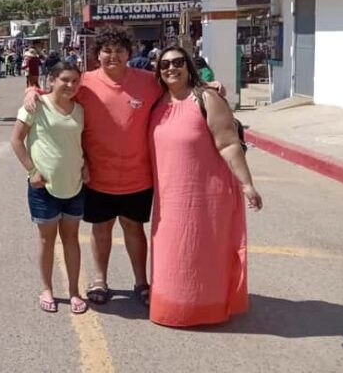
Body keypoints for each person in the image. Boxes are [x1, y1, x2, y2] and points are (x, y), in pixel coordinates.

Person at [26, 26, 160, 307]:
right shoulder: (84, 83)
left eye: (119, 50)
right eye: (107, 51)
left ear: (129, 53)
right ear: (97, 55)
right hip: (97, 175)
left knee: (134, 229)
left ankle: (141, 282)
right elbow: (56, 91)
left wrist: (209, 87)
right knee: (101, 230)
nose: (113, 56)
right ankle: (99, 281)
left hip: (138, 175)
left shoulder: (149, 82)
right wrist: (32, 91)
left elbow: (179, 87)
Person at [149, 45, 262, 327]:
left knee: (203, 253)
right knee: (173, 254)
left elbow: (228, 144)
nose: (171, 68)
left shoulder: (206, 98)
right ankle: (173, 308)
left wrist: (247, 184)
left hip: (206, 195)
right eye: (165, 65)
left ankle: (204, 308)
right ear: (159, 72)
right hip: (169, 197)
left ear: (189, 66)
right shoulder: (157, 100)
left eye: (177, 62)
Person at [10, 61, 90, 315]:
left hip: (74, 184)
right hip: (43, 187)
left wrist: (86, 163)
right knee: (47, 240)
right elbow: (16, 140)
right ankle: (46, 288)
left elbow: (77, 142)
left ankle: (75, 291)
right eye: (64, 79)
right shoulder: (36, 106)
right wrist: (31, 170)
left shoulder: (80, 110)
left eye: (75, 81)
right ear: (52, 80)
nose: (70, 85)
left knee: (71, 239)